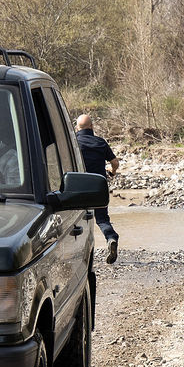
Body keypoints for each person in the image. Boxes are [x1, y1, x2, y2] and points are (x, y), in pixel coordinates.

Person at [74, 112, 120, 264]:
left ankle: (78, 254)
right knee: (101, 218)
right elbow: (115, 163)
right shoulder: (100, 142)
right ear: (92, 126)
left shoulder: (73, 143)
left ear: (76, 128)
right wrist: (112, 172)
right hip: (99, 187)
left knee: (76, 220)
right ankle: (111, 238)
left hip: (78, 188)